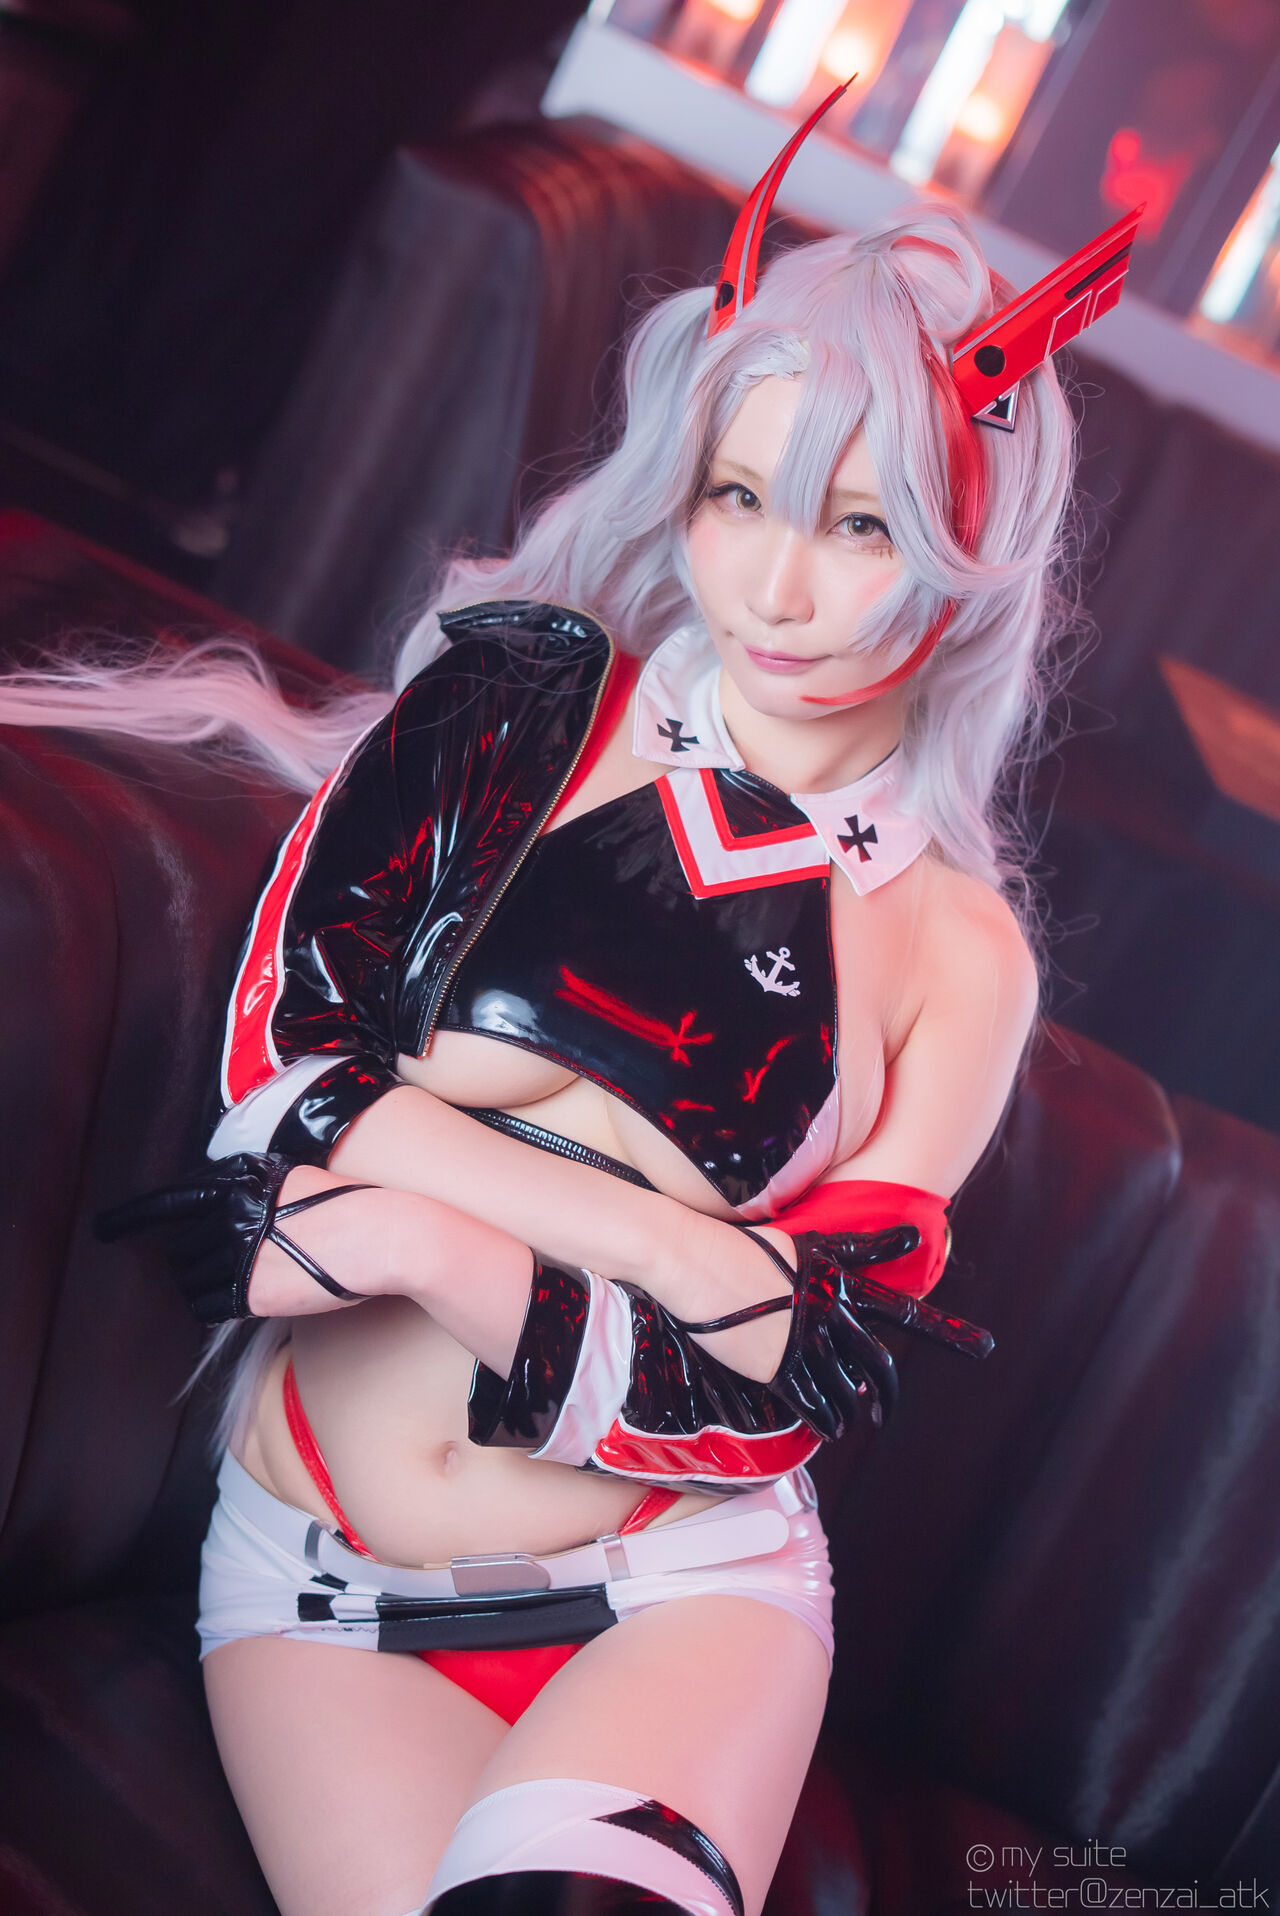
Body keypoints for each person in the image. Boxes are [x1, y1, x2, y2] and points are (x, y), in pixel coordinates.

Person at [2, 108, 1134, 1913]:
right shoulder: (511, 712)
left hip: (681, 1603)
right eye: (736, 496)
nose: (774, 587)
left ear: (965, 553)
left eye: (859, 526)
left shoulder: (959, 955)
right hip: (321, 1595)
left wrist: (436, 1243)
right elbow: (285, 1071)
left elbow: (781, 1381)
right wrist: (670, 1246)